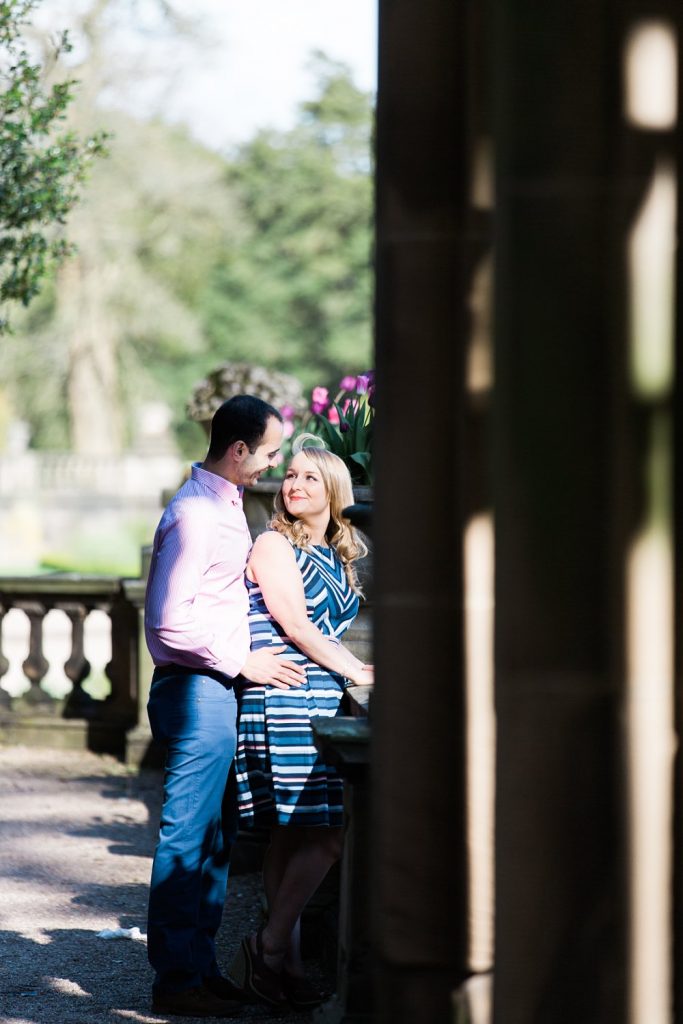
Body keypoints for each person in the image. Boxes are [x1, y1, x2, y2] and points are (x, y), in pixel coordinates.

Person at [144, 394, 306, 1019]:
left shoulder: (224, 507)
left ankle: (200, 969)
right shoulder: (195, 517)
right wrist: (244, 662)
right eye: (268, 454)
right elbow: (167, 623)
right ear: (238, 450)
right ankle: (176, 981)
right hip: (195, 688)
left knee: (217, 835)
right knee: (188, 833)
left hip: (215, 688)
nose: (272, 465)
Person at [230, 437, 373, 1010]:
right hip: (287, 695)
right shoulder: (271, 543)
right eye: (290, 475)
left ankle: (281, 965)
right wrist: (359, 669)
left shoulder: (340, 553)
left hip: (317, 693)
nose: (293, 485)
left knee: (293, 832)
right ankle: (267, 947)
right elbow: (294, 625)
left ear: (334, 491)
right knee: (326, 835)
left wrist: (346, 672)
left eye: (311, 478)